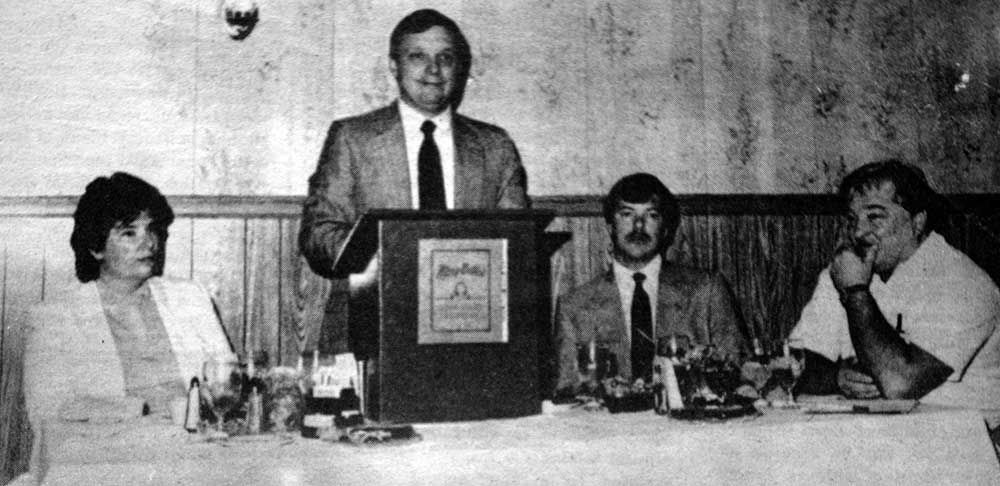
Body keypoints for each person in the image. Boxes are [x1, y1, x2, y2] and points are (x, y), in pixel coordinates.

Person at [299, 9, 528, 353]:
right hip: (372, 324)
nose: (433, 70)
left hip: (471, 329)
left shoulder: (496, 146)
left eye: (445, 58)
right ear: (394, 66)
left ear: (460, 68)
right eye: (418, 56)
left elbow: (518, 243)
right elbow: (318, 233)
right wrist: (385, 257)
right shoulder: (351, 138)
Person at [23, 172, 236, 431]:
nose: (149, 243)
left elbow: (229, 380)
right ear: (96, 246)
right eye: (129, 233)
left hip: (194, 446)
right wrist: (136, 410)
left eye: (152, 229)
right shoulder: (56, 316)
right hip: (104, 457)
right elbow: (46, 409)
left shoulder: (190, 297)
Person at [791, 160, 1000, 409]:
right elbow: (806, 374)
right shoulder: (844, 271)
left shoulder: (964, 283)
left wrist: (856, 291)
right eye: (852, 219)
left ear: (917, 222)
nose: (858, 232)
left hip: (962, 438)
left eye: (874, 217)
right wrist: (837, 379)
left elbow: (900, 384)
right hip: (878, 435)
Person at [552, 173, 749, 396]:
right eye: (627, 214)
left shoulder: (706, 291)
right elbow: (566, 393)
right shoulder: (574, 307)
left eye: (651, 215)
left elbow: (740, 373)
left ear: (665, 228)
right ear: (610, 226)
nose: (638, 225)